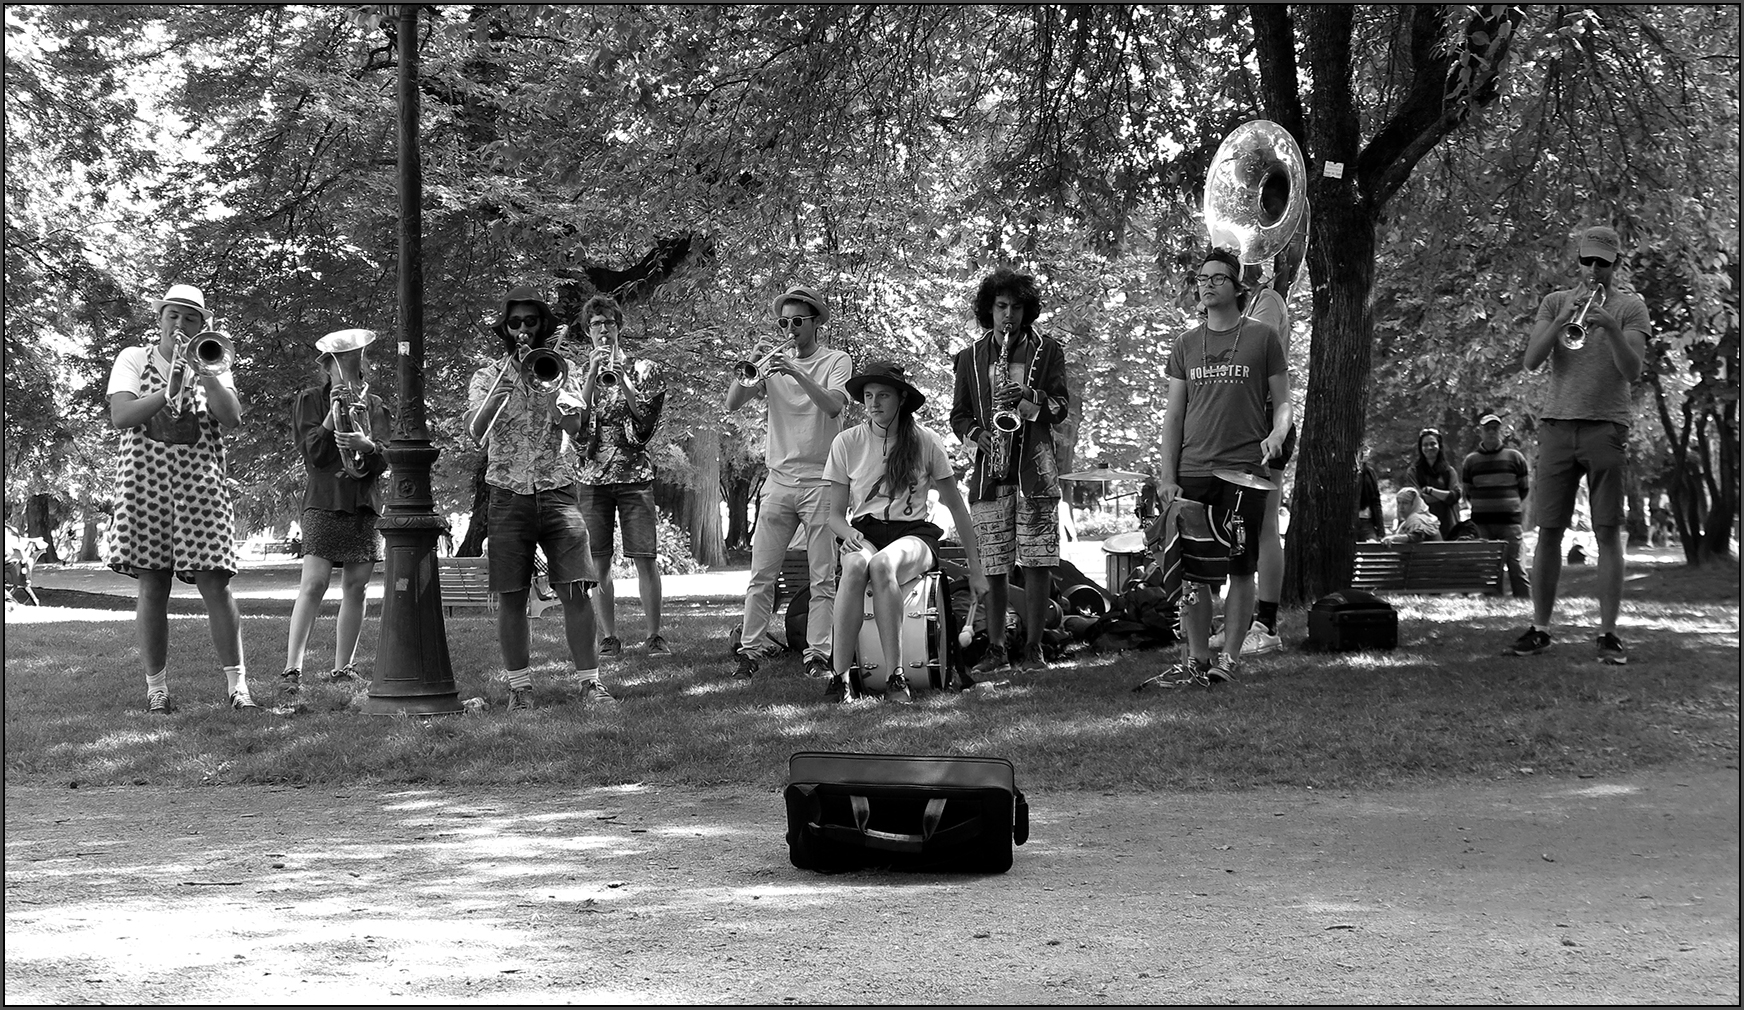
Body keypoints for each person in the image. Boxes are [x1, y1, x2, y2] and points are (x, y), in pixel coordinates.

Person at [1143, 248, 1291, 688]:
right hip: (1193, 471)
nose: (1206, 284)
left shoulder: (1262, 337)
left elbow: (1283, 402)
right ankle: (1196, 658)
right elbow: (1173, 416)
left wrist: (1278, 433)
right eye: (1202, 278)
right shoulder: (1185, 344)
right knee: (1193, 571)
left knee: (1241, 566)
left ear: (1237, 286)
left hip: (1244, 471)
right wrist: (1168, 476)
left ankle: (1228, 658)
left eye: (1217, 278)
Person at [105, 284, 252, 713]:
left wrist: (206, 375)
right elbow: (122, 416)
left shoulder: (212, 358)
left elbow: (233, 418)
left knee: (216, 584)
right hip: (144, 484)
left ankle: (237, 688)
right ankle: (157, 690)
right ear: (160, 318)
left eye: (190, 318)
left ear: (202, 324)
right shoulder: (134, 357)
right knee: (152, 585)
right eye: (174, 316)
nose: (181, 325)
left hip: (200, 486)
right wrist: (166, 393)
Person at [465, 284, 609, 712]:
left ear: (542, 325)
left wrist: (565, 410)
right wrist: (504, 391)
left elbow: (581, 435)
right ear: (506, 329)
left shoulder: (560, 369)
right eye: (515, 323)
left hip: (557, 491)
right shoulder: (487, 375)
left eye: (531, 321)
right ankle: (520, 689)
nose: (523, 329)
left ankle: (591, 684)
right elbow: (475, 433)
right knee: (511, 595)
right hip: (507, 494)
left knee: (576, 590)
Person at [1508, 225, 1647, 665]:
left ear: (1616, 264)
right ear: (1579, 261)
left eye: (1602, 262)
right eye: (1587, 260)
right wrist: (1566, 318)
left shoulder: (1631, 307)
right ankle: (1541, 628)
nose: (1593, 269)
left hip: (1606, 426)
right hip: (1557, 425)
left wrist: (1608, 327)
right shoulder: (1555, 302)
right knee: (1549, 530)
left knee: (1607, 532)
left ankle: (1608, 633)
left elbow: (1633, 371)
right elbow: (1532, 361)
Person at [823, 362, 989, 703]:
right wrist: (848, 535)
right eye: (868, 396)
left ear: (901, 399)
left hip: (915, 535)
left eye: (883, 395)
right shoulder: (846, 442)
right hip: (864, 531)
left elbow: (957, 507)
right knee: (855, 566)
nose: (873, 403)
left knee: (882, 565)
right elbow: (834, 516)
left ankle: (895, 676)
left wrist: (976, 568)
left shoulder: (927, 441)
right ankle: (838, 678)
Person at [725, 286, 851, 680]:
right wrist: (753, 364)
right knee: (761, 574)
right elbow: (732, 403)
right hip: (778, 481)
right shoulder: (771, 366)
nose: (790, 328)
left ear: (815, 323)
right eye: (784, 322)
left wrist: (795, 370)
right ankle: (750, 649)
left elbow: (833, 406)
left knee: (821, 577)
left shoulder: (836, 360)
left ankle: (817, 653)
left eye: (798, 321)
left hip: (822, 482)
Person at [948, 268, 1070, 675]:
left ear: (1026, 310)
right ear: (989, 309)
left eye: (1017, 307)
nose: (1009, 315)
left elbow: (1060, 408)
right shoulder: (969, 357)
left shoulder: (1049, 349)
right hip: (989, 472)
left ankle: (1034, 648)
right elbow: (958, 415)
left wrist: (1029, 396)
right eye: (1001, 306)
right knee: (995, 564)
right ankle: (997, 648)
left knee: (1037, 563)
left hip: (1035, 473)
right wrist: (977, 435)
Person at [279, 329, 393, 704]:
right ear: (325, 367)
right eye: (337, 362)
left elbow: (386, 459)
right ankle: (292, 667)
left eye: (352, 360)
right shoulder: (310, 400)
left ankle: (343, 666)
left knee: (356, 587)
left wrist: (368, 445)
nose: (345, 368)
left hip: (362, 500)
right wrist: (331, 419)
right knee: (313, 584)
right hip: (325, 498)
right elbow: (312, 453)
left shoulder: (375, 405)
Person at [575, 294, 670, 657]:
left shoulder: (643, 367)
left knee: (645, 556)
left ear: (618, 328)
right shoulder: (575, 371)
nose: (603, 329)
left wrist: (623, 377)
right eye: (596, 324)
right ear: (588, 331)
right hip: (592, 478)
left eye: (609, 323)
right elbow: (576, 427)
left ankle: (654, 635)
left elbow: (646, 423)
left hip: (634, 477)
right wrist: (590, 376)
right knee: (598, 560)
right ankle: (609, 636)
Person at [1461, 412, 1532, 598]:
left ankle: (1524, 602)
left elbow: (1524, 489)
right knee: (1490, 566)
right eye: (1487, 429)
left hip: (1510, 523)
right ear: (1480, 432)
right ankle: (1494, 602)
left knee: (1516, 565)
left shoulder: (1515, 457)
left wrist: (1507, 505)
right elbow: (1467, 491)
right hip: (1482, 524)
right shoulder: (1471, 461)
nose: (1492, 432)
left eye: (1495, 428)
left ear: (1500, 431)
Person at [1407, 428, 1462, 538]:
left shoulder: (1449, 471)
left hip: (1448, 524)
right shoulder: (1413, 471)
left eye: (1433, 444)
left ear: (1439, 446)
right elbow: (1417, 499)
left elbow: (1455, 496)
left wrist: (1430, 491)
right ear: (1420, 448)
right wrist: (1444, 496)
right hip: (1422, 526)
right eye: (1425, 445)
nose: (1429, 448)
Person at [1356, 442, 1385, 541]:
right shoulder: (1343, 473)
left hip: (1367, 522)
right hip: (1347, 523)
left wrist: (1381, 530)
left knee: (1372, 549)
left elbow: (1375, 500)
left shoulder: (1370, 473)